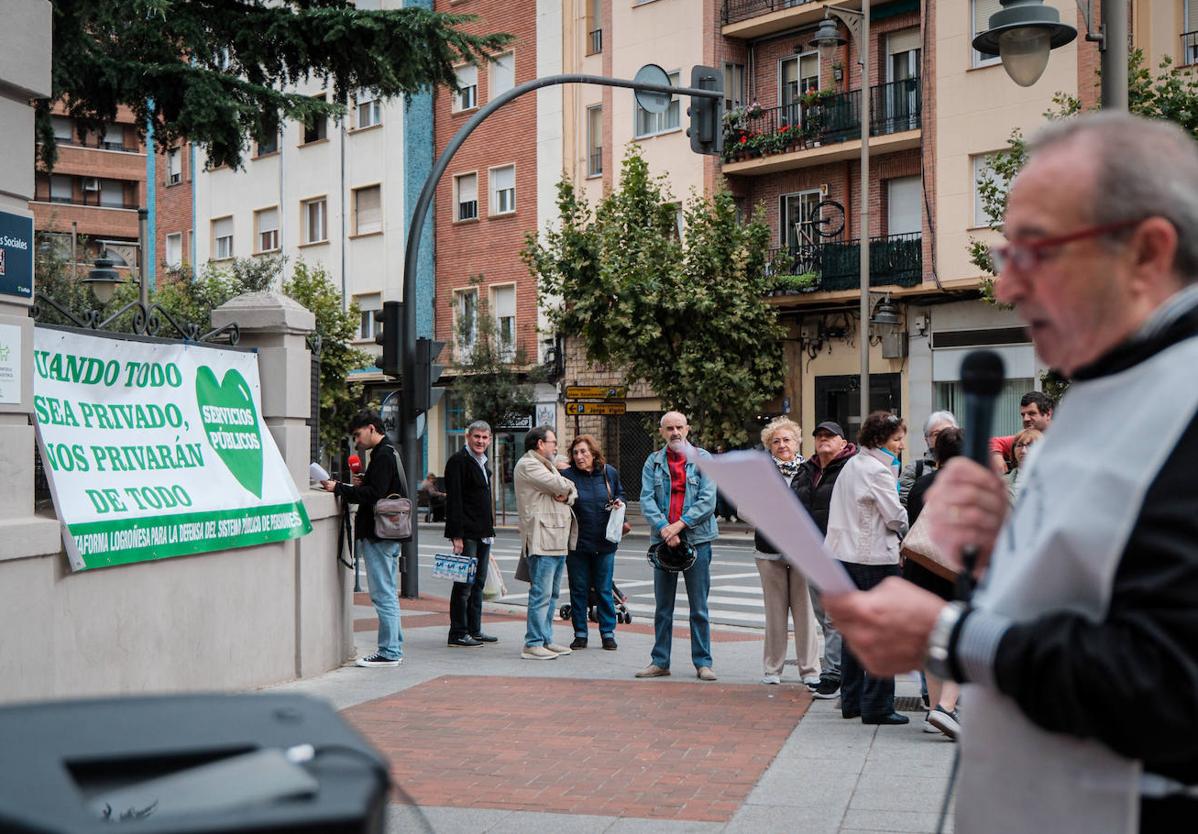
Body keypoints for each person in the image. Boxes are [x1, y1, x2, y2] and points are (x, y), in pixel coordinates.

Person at [823, 112, 1198, 832]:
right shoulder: (1097, 388)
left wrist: (949, 634)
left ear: (1147, 252)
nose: (1006, 288)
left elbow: (1171, 681)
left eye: (1034, 252)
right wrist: (1004, 553)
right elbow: (1099, 586)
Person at [824, 411, 908, 725]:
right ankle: (877, 705)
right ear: (879, 440)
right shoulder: (878, 471)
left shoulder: (852, 465)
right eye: (897, 439)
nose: (901, 445)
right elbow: (895, 517)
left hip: (842, 557)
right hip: (873, 558)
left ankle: (853, 700)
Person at [636, 411, 719, 681]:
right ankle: (660, 661)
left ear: (688, 429)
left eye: (679, 427)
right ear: (662, 432)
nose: (675, 432)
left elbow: (707, 501)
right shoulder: (653, 462)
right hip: (663, 541)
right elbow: (646, 499)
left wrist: (678, 526)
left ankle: (703, 662)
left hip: (697, 539)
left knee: (699, 607)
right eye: (669, 428)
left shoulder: (704, 459)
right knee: (663, 607)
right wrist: (664, 528)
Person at [321, 411, 407, 668]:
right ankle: (394, 647)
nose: (357, 441)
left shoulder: (382, 455)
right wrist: (363, 482)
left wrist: (339, 488)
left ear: (371, 429)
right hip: (389, 533)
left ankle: (389, 651)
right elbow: (382, 488)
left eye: (358, 435)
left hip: (380, 534)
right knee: (388, 592)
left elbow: (373, 495)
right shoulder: (389, 452)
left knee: (383, 594)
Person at [903, 426, 964, 740]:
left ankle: (934, 710)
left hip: (921, 570)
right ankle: (947, 707)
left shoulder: (921, 485)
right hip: (954, 574)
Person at [753, 417, 821, 686]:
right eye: (776, 441)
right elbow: (743, 506)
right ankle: (773, 669)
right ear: (769, 446)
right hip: (769, 550)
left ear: (797, 442)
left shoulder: (811, 470)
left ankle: (810, 669)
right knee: (775, 612)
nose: (782, 445)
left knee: (805, 613)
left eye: (787, 440)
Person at [792, 420, 856, 699]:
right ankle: (842, 670)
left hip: (840, 552)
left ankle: (833, 675)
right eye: (818, 436)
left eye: (830, 436)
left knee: (834, 618)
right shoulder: (807, 470)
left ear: (843, 442)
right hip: (811, 551)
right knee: (824, 617)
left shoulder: (852, 468)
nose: (823, 440)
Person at [513, 425, 578, 660]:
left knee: (551, 594)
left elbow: (570, 493)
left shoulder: (547, 465)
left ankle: (546, 639)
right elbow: (562, 486)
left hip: (556, 537)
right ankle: (533, 642)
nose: (556, 447)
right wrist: (566, 488)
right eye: (553, 442)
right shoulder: (529, 464)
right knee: (540, 594)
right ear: (540, 444)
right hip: (541, 538)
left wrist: (568, 491)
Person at [561, 434, 624, 651]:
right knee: (578, 589)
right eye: (576, 452)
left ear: (593, 453)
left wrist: (619, 502)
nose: (580, 456)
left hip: (605, 542)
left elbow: (620, 493)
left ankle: (608, 633)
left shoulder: (608, 473)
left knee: (604, 589)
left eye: (584, 452)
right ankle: (580, 633)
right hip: (577, 542)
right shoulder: (566, 475)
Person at [443, 420, 497, 648]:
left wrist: (490, 532)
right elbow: (454, 501)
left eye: (485, 438)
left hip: (483, 533)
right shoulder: (458, 461)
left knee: (478, 584)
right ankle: (457, 632)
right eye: (477, 437)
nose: (481, 442)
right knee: (464, 585)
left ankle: (474, 630)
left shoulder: (483, 463)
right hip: (467, 534)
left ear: (490, 439)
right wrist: (456, 536)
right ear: (468, 437)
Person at [899, 410, 957, 507]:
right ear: (927, 439)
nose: (943, 438)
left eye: (948, 432)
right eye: (936, 434)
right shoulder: (914, 469)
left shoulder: (969, 466)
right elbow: (904, 506)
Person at [988, 391, 1054, 474]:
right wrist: (996, 455)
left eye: (1031, 413)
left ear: (1048, 414)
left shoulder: (1067, 440)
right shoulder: (1024, 440)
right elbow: (994, 441)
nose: (1025, 419)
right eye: (1023, 415)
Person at [1003, 428, 1042, 503]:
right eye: (1019, 445)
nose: (1023, 451)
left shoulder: (1053, 479)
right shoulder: (1001, 482)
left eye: (1030, 445)